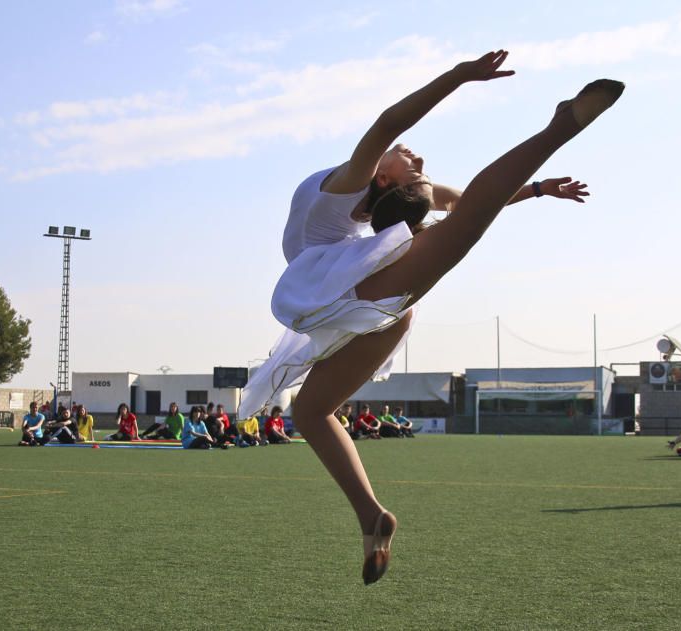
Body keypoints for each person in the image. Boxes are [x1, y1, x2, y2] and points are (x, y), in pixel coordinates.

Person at [238, 49, 623, 584]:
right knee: (309, 412)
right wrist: (462, 78)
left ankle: (559, 126)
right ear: (382, 182)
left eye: (414, 166)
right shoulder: (351, 182)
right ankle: (371, 517)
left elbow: (454, 183)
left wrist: (533, 186)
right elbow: (400, 135)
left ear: (386, 185)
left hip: (364, 299)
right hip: (338, 288)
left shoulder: (374, 186)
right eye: (413, 164)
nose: (416, 160)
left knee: (462, 225)